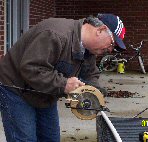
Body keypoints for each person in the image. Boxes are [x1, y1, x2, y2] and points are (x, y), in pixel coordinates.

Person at [0, 13, 126, 142]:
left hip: (45, 92)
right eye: (112, 43)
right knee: (25, 139)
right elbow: (32, 69)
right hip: (16, 89)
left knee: (51, 138)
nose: (111, 50)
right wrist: (64, 84)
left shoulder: (87, 50)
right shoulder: (55, 35)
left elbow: (90, 74)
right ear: (100, 30)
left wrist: (94, 91)